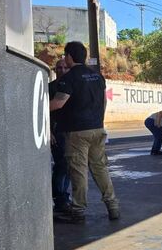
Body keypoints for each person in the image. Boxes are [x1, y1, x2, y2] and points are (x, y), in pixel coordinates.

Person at [50, 41, 120, 223]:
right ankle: (113, 206)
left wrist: (36, 108)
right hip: (97, 128)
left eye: (65, 56)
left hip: (77, 132)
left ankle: (78, 211)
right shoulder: (97, 77)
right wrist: (99, 121)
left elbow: (58, 103)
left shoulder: (69, 78)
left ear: (69, 57)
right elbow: (104, 102)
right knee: (100, 169)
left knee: (78, 171)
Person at [49, 58, 71, 214]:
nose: (62, 70)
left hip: (69, 132)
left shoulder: (71, 86)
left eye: (65, 67)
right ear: (55, 70)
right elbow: (43, 110)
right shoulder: (50, 87)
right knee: (61, 165)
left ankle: (62, 196)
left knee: (67, 166)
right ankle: (60, 198)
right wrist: (49, 131)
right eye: (59, 68)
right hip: (56, 132)